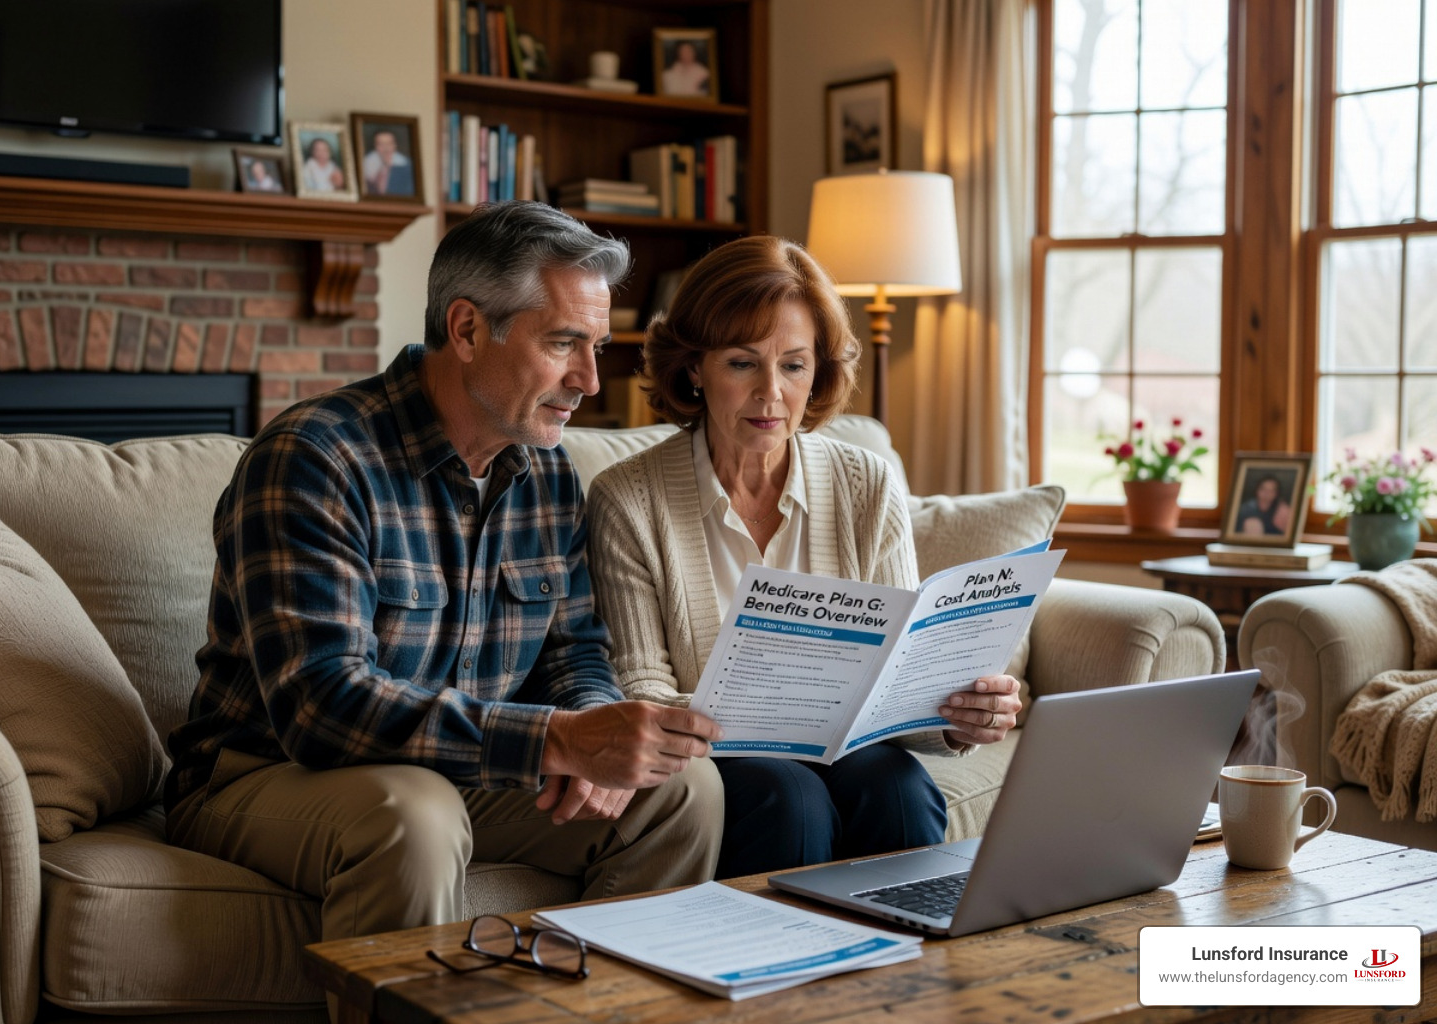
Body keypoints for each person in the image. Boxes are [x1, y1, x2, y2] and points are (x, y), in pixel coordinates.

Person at [164, 201, 725, 946]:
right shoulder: (315, 458)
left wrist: (597, 732)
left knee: (683, 791)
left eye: (595, 346)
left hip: (461, 768)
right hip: (265, 774)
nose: (589, 380)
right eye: (563, 343)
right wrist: (556, 740)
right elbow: (321, 705)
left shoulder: (547, 472)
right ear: (465, 329)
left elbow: (574, 650)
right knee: (415, 812)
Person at [585, 235, 1021, 879]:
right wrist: (750, 721)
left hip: (844, 740)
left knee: (900, 789)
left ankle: (903, 975)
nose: (771, 394)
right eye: (742, 363)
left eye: (793, 365)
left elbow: (899, 675)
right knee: (789, 801)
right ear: (693, 368)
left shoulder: (868, 483)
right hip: (714, 751)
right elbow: (641, 683)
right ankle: (783, 973)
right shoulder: (627, 497)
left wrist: (958, 720)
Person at [362, 128, 414, 196]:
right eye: (381, 144)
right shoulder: (366, 162)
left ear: (395, 145)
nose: (386, 148)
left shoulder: (406, 165)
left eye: (389, 143)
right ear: (375, 146)